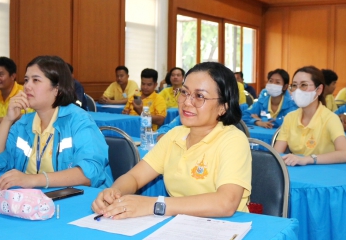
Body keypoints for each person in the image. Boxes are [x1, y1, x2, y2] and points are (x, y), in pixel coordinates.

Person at [91, 62, 251, 219]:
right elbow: (135, 177)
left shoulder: (233, 140)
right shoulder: (175, 135)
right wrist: (114, 192)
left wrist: (154, 205)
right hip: (178, 226)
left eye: (200, 96)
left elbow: (226, 203)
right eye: (184, 92)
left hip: (227, 228)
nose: (187, 102)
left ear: (223, 107)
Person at [0, 55, 113, 190]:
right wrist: (8, 119)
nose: (27, 86)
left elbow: (91, 172)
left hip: (79, 200)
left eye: (36, 80)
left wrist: (33, 180)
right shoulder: (24, 123)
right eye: (26, 80)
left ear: (56, 89)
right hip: (34, 201)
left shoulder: (78, 120)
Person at [274, 66, 346, 166]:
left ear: (319, 90)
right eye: (294, 85)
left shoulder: (331, 119)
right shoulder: (290, 118)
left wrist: (308, 159)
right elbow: (276, 154)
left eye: (303, 85)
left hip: (324, 174)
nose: (297, 90)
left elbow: (345, 154)